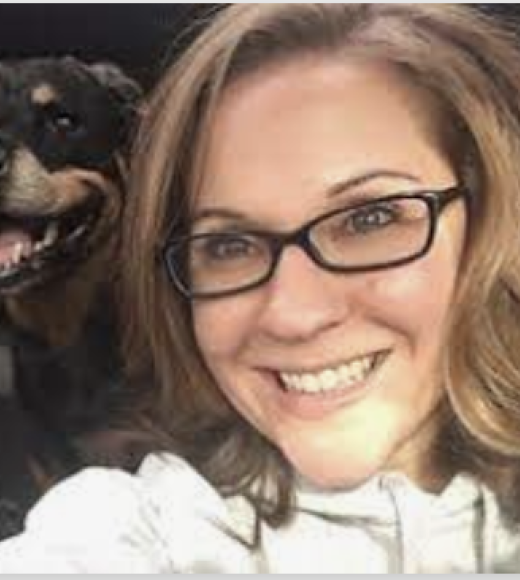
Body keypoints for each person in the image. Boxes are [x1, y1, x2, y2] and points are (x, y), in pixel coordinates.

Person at [1, 3, 520, 573]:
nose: (293, 315)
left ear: (495, 218)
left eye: (369, 218)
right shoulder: (130, 526)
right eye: (228, 245)